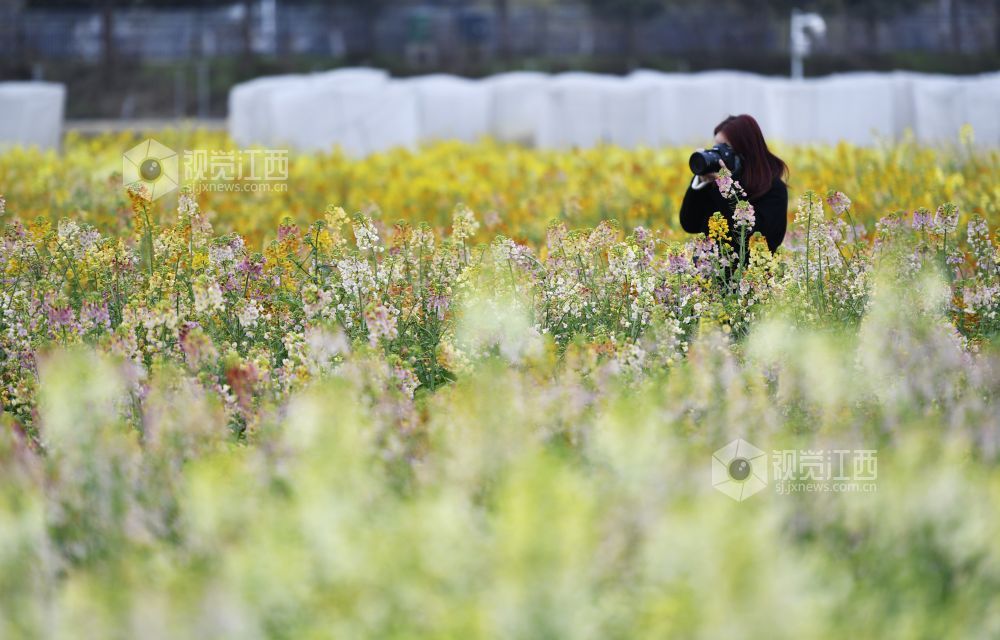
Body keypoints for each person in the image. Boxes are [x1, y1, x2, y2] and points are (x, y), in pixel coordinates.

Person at [679, 114, 789, 257]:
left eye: (724, 148)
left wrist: (727, 188)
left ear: (745, 152)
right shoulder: (712, 184)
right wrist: (700, 182)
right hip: (708, 273)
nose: (717, 154)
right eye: (715, 147)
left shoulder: (773, 189)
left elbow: (757, 237)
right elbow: (690, 224)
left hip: (751, 276)